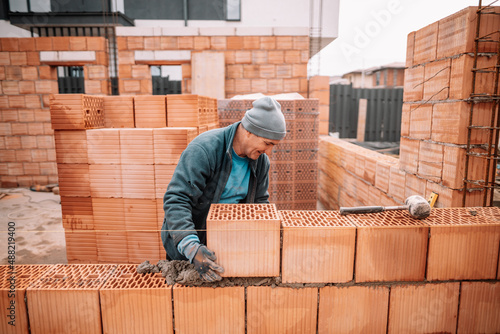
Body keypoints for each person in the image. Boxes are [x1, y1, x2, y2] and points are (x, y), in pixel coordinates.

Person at [161, 96, 286, 282]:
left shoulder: (261, 162)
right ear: (250, 132)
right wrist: (192, 248)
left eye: (273, 146)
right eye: (267, 143)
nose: (268, 152)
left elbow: (259, 204)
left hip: (230, 244)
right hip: (194, 245)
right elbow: (177, 199)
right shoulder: (204, 150)